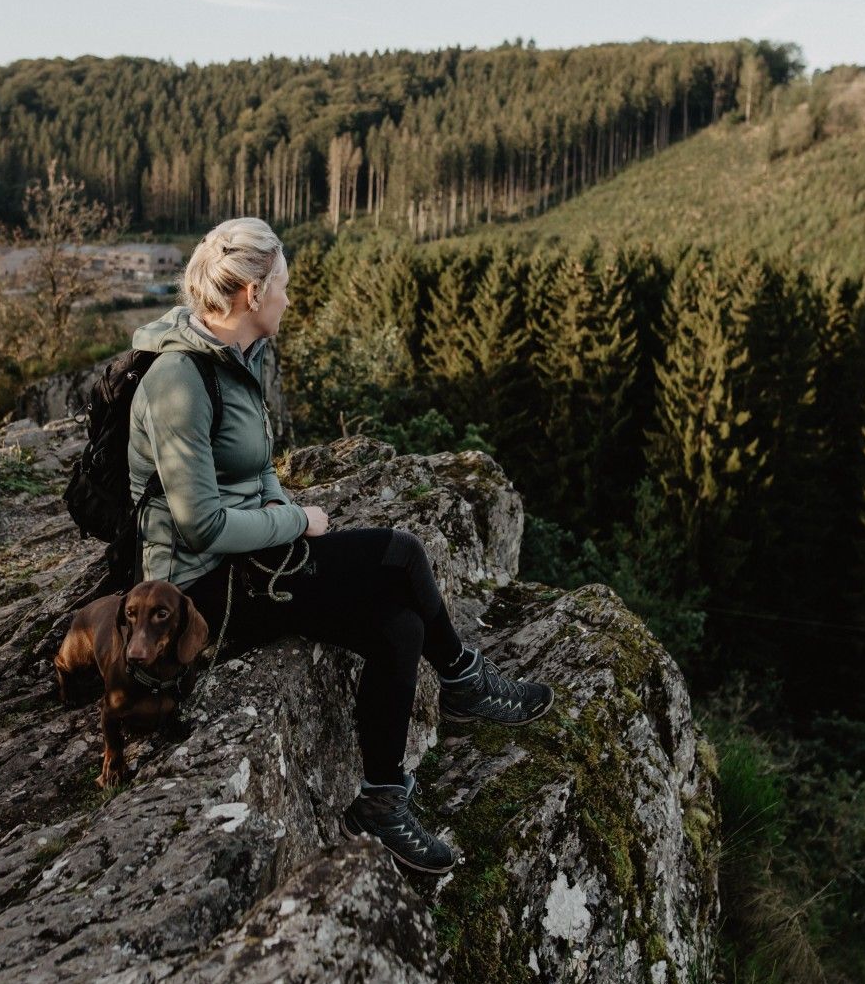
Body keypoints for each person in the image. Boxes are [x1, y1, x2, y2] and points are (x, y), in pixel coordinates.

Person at [126, 216, 554, 875]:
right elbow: (200, 526)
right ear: (251, 294)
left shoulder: (238, 359)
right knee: (401, 553)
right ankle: (465, 681)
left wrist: (275, 500)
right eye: (284, 287)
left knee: (399, 624)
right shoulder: (179, 380)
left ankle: (382, 800)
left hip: (247, 560)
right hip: (199, 592)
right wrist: (298, 523)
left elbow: (255, 466)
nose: (289, 300)